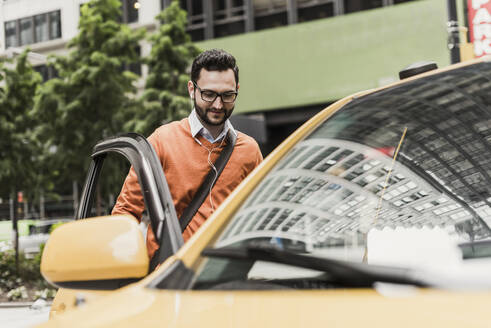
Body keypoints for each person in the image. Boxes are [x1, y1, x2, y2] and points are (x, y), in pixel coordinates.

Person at [112, 49, 263, 259]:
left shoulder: (249, 150)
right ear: (192, 89)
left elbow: (259, 213)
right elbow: (125, 213)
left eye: (228, 95)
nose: (218, 105)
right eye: (209, 94)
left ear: (237, 89)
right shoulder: (161, 141)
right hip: (169, 277)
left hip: (226, 276)